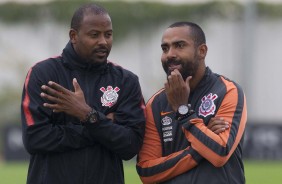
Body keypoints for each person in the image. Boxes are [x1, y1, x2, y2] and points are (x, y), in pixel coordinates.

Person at [21, 3, 145, 184]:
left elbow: (130, 145)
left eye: (108, 34)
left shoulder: (126, 81)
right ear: (74, 36)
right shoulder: (43, 74)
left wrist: (88, 115)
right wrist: (102, 125)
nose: (103, 41)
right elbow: (35, 139)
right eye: (94, 35)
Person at [136, 21, 247, 184]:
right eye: (165, 48)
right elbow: (147, 171)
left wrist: (183, 111)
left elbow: (220, 152)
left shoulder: (227, 91)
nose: (170, 54)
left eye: (179, 46)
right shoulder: (156, 104)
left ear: (202, 51)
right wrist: (200, 149)